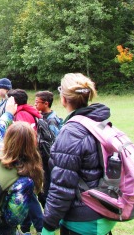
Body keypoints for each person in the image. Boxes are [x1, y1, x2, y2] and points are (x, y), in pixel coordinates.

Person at [42, 73, 116, 235]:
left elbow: (62, 187)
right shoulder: (98, 122)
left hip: (82, 220)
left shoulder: (71, 133)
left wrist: (48, 226)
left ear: (63, 98)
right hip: (104, 209)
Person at [0, 97, 44, 235]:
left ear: (8, 138)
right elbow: (13, 219)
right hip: (4, 229)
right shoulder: (25, 180)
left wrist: (8, 114)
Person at [5, 89, 43, 235]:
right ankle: (26, 227)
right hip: (29, 158)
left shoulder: (21, 116)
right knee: (27, 194)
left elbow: (22, 141)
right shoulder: (29, 112)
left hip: (24, 160)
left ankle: (41, 227)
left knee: (30, 196)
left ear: (14, 102)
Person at [34, 91, 62, 207]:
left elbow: (55, 141)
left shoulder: (51, 120)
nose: (35, 105)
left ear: (46, 103)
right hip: (43, 158)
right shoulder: (41, 117)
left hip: (49, 160)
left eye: (37, 102)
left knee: (46, 188)